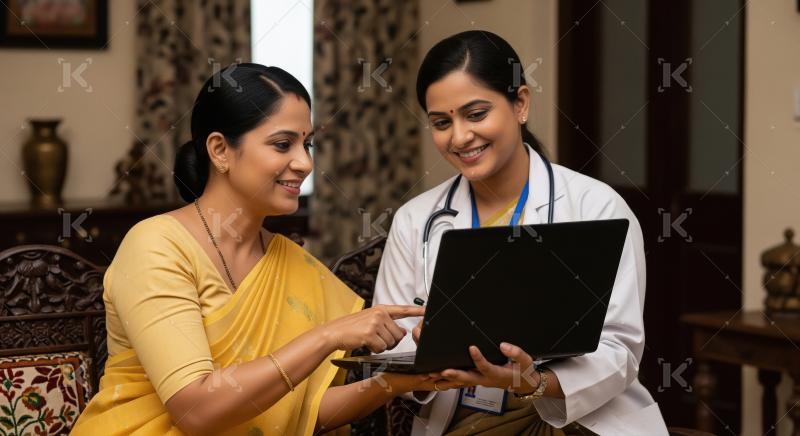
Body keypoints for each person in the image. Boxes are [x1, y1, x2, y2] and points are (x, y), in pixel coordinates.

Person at [72, 63, 458, 435]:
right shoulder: (156, 246)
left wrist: (405, 378)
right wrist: (326, 336)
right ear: (220, 150)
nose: (304, 163)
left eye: (307, 144)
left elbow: (300, 415)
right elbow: (196, 411)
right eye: (282, 144)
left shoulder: (291, 262)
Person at [372, 31, 669, 435]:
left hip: (576, 421)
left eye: (476, 114)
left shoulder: (595, 207)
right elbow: (393, 349)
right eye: (442, 122)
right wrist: (427, 357)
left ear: (521, 104)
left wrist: (531, 382)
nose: (459, 137)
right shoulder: (414, 220)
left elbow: (620, 350)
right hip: (461, 421)